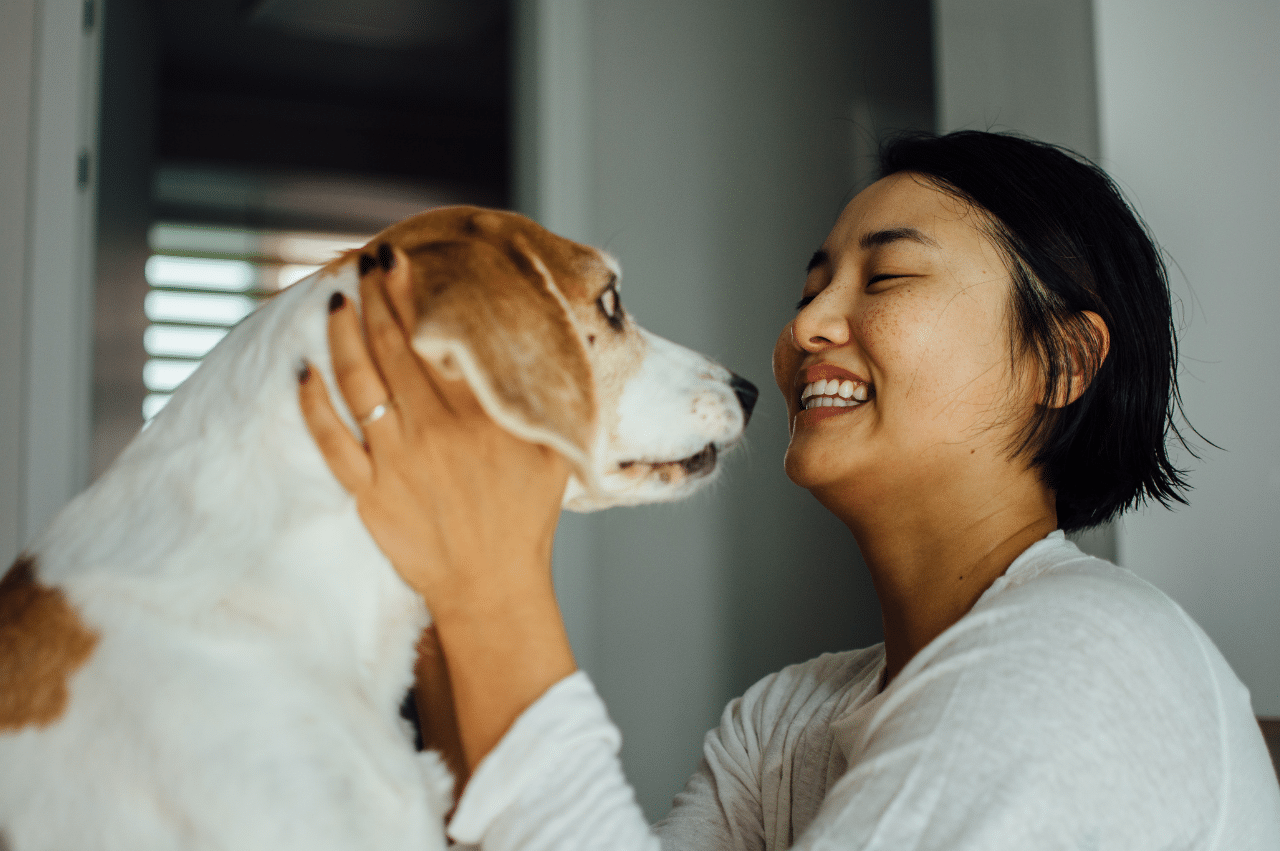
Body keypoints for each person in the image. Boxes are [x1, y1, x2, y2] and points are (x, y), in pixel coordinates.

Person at [298, 131, 1280, 849]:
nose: (808, 323)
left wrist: (491, 582)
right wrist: (429, 573)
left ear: (1060, 359)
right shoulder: (788, 718)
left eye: (884, 277)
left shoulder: (1081, 656)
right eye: (812, 284)